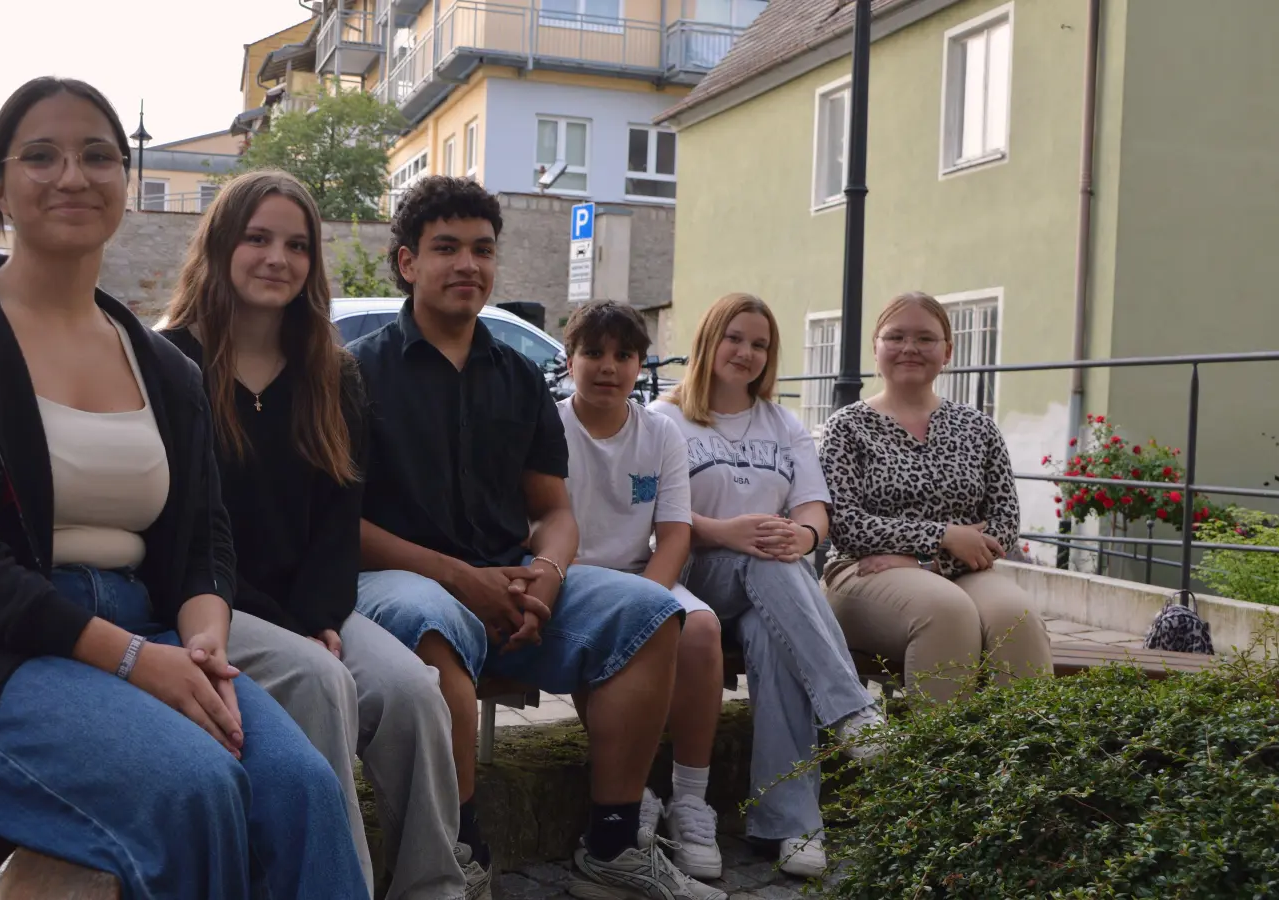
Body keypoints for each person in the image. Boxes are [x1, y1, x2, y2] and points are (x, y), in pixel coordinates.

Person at [0, 77, 366, 900]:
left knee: (303, 792)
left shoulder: (164, 366)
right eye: (42, 156)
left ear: (125, 183)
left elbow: (203, 539)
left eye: (98, 155)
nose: (72, 176)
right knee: (194, 791)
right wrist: (128, 660)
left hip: (150, 631)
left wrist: (202, 640)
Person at [350, 176, 724, 900]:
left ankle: (613, 847)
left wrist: (548, 574)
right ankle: (456, 854)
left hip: (513, 577)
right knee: (431, 624)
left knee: (649, 614)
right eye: (447, 249)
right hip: (397, 578)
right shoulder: (358, 373)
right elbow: (339, 525)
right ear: (406, 263)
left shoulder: (519, 378)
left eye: (483, 250)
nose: (468, 265)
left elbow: (555, 510)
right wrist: (464, 579)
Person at [160, 168, 470, 900]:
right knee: (324, 683)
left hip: (314, 608)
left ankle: (435, 887)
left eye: (297, 245)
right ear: (221, 244)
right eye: (259, 238)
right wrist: (300, 631)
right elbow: (184, 529)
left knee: (412, 694)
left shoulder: (333, 372)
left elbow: (340, 519)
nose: (278, 259)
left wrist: (323, 618)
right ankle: (338, 885)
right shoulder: (172, 364)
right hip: (209, 606)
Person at [648, 292, 883, 880]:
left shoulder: (782, 423)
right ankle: (851, 712)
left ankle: (790, 824)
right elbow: (650, 513)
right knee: (767, 561)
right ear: (708, 341)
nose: (746, 352)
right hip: (696, 574)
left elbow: (812, 509)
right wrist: (727, 531)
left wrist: (802, 537)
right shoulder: (665, 417)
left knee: (776, 631)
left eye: (760, 344)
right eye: (735, 338)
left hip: (772, 589)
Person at [555, 300, 726, 880]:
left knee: (699, 627)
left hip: (641, 574)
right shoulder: (549, 426)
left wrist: (650, 600)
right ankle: (637, 793)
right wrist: (638, 612)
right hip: (568, 576)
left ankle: (691, 798)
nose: (608, 366)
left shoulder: (660, 433)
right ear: (569, 358)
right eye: (593, 353)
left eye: (623, 355)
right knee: (614, 634)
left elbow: (674, 532)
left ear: (640, 364)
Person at [820, 291, 1052, 704]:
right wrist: (942, 535)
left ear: (947, 351)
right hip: (862, 573)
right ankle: (940, 763)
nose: (910, 348)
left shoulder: (976, 426)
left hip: (961, 572)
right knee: (947, 613)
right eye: (896, 337)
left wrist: (926, 561)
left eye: (925, 339)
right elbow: (848, 526)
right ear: (876, 347)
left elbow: (1004, 524)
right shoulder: (847, 428)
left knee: (1017, 619)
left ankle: (1023, 760)